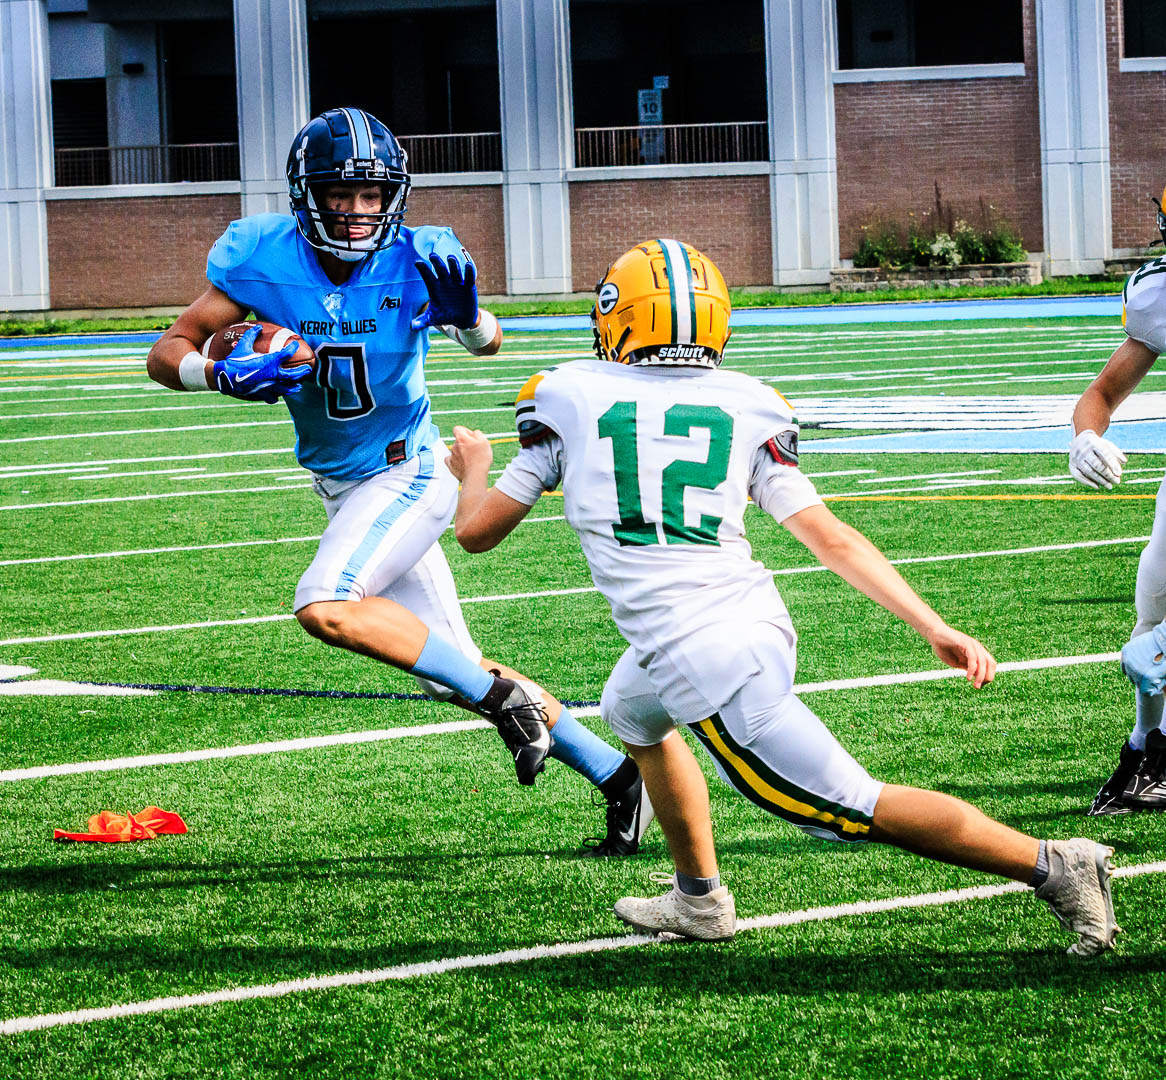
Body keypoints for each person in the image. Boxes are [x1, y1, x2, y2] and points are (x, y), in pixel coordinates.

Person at [447, 238, 1120, 956]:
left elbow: (476, 534)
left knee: (848, 808)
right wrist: (933, 625)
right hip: (750, 617)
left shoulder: (567, 396)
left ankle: (1055, 866)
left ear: (618, 316)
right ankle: (698, 898)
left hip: (699, 654)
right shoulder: (747, 404)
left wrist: (473, 469)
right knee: (632, 712)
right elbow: (831, 538)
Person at [145, 106, 651, 855]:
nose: (357, 210)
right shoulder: (261, 258)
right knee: (453, 671)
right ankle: (618, 776)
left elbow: (487, 342)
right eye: (340, 193)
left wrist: (469, 318)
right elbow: (168, 349)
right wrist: (211, 372)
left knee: (325, 603)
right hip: (342, 485)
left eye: (371, 194)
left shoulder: (418, 256)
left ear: (394, 195)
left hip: (407, 473)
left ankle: (507, 701)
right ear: (307, 195)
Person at [1068, 188, 1166, 816]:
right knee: (1150, 620)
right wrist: (1084, 436)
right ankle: (1146, 748)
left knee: (1157, 647)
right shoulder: (1158, 295)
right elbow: (1101, 393)